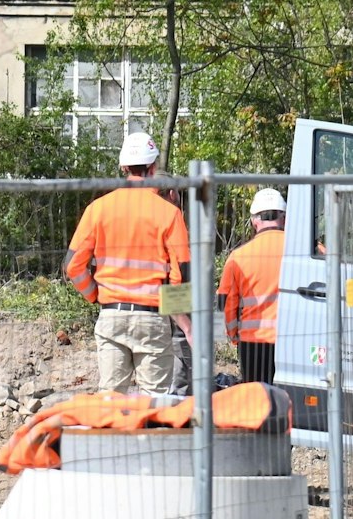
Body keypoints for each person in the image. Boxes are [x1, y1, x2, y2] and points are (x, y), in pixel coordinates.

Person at [65, 132, 192, 393]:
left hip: (112, 315)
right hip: (152, 319)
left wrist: (95, 295)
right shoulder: (169, 214)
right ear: (154, 168)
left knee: (111, 400)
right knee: (154, 404)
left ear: (123, 167)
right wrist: (186, 325)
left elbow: (73, 266)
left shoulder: (98, 209)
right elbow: (181, 273)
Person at [218, 187, 286, 385]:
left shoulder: (238, 257)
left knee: (257, 398)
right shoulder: (304, 250)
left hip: (253, 343)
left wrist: (233, 335)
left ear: (254, 221)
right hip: (292, 340)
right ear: (283, 217)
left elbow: (225, 303)